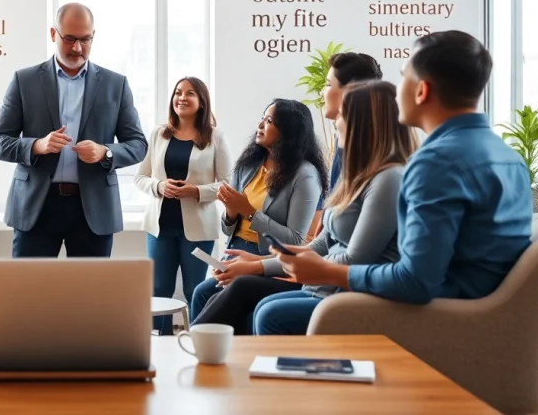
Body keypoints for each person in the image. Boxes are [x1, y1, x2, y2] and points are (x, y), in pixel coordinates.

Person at [275, 31, 532, 305]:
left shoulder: (436, 163)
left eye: (403, 76)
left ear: (422, 90)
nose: (396, 91)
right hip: (474, 315)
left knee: (271, 314)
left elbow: (415, 281)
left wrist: (331, 272)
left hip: (440, 317)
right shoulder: (510, 157)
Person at [194, 81, 417, 334]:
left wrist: (262, 260)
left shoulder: (388, 179)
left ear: (364, 124)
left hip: (344, 291)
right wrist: (259, 263)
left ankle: (194, 350)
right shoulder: (358, 175)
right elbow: (321, 244)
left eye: (342, 115)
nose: (335, 123)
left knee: (263, 308)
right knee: (230, 295)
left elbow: (351, 259)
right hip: (317, 282)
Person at [0, 2, 148, 258]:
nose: (77, 48)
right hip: (36, 207)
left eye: (85, 39)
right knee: (30, 294)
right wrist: (36, 145)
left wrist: (105, 152)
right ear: (54, 34)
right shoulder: (24, 80)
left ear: (93, 36)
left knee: (89, 296)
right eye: (70, 39)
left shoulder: (115, 84)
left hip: (93, 209)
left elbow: (138, 144)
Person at [188, 99, 327, 323]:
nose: (260, 125)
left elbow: (296, 241)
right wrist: (231, 213)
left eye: (269, 120)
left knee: (210, 294)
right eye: (262, 118)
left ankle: (195, 345)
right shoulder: (247, 165)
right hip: (235, 250)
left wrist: (250, 212)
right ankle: (205, 351)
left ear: (288, 131)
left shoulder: (305, 175)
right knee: (201, 292)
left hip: (271, 258)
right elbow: (228, 229)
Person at [135, 77, 232, 335]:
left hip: (198, 229)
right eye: (178, 92)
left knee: (195, 290)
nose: (182, 97)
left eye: (190, 93)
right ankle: (159, 344)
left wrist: (195, 191)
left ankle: (198, 343)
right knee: (159, 291)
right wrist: (159, 187)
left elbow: (227, 183)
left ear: (201, 102)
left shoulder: (214, 136)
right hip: (159, 228)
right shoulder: (158, 133)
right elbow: (140, 177)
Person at [314, 52, 383, 226]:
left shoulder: (371, 150)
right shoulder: (345, 139)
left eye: (328, 85)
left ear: (349, 92)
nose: (323, 92)